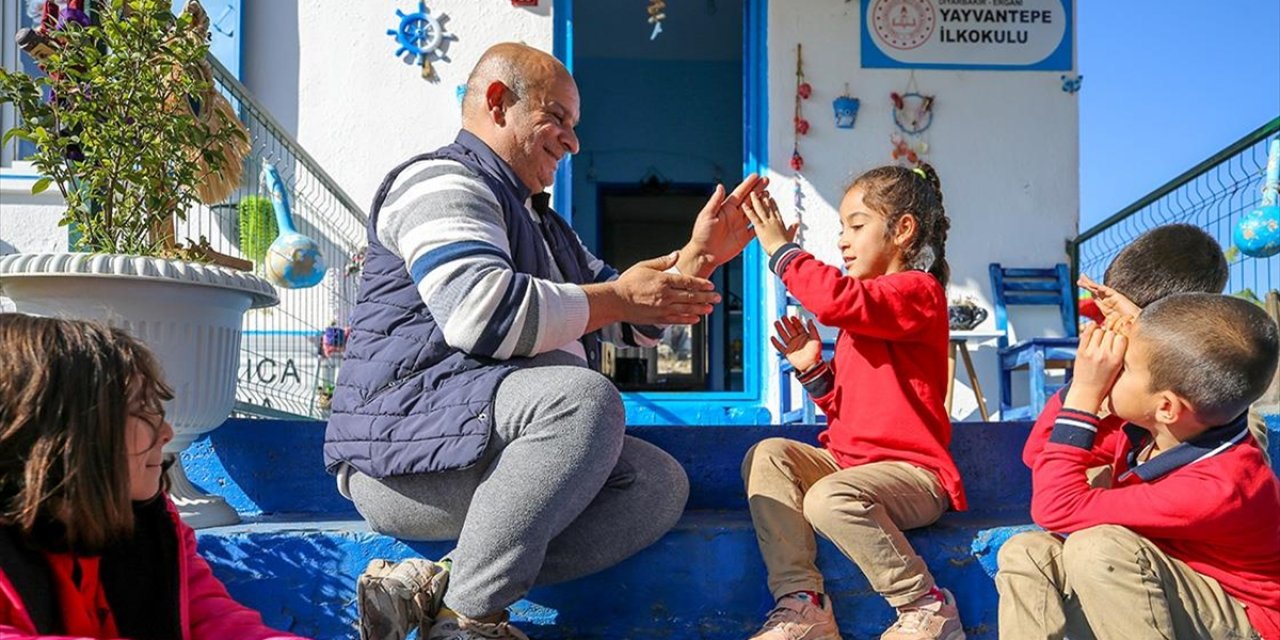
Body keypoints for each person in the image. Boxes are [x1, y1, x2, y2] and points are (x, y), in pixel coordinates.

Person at [323, 42, 765, 640]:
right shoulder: (439, 181)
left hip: (487, 450)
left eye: (575, 126)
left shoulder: (544, 224)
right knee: (581, 399)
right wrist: (619, 299)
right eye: (556, 118)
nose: (572, 141)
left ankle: (440, 584)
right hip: (404, 456)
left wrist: (699, 257)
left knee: (657, 485)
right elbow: (484, 314)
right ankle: (467, 622)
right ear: (498, 103)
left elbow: (630, 318)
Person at [739, 164, 966, 640]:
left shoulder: (919, 293)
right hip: (849, 466)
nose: (843, 240)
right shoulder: (867, 311)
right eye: (843, 228)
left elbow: (836, 301)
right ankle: (804, 604)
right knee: (769, 455)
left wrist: (782, 250)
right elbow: (845, 411)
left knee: (829, 498)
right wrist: (812, 368)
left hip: (913, 475)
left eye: (856, 226)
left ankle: (926, 606)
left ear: (903, 230)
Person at [0, 313, 308, 640]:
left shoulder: (153, 527)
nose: (166, 432)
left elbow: (216, 619)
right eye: (143, 411)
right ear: (64, 431)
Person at [997, 293, 1280, 638]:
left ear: (1166, 407)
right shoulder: (1157, 431)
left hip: (1243, 620)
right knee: (1028, 552)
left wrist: (1087, 393)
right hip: (1166, 591)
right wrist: (1081, 387)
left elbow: (1056, 507)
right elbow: (1040, 454)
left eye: (1124, 367)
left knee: (1098, 547)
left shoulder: (1220, 485)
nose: (1110, 369)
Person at [1022, 223, 1269, 479]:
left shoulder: (1225, 421)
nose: (1118, 334)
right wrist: (1087, 386)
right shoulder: (1128, 410)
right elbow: (1038, 455)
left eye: (1131, 325)